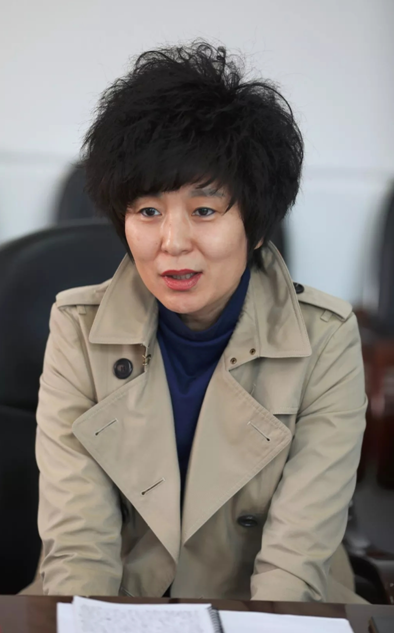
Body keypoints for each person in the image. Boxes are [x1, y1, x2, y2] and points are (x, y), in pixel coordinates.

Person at [35, 41, 367, 602]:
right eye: (148, 211)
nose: (173, 242)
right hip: (121, 606)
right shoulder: (78, 328)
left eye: (205, 210)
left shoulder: (326, 338)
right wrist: (94, 622)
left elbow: (296, 559)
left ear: (256, 226)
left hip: (267, 610)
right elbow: (78, 541)